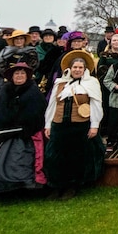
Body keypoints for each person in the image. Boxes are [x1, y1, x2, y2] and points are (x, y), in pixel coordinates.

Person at [44, 51, 105, 199]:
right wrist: (48, 124)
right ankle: (56, 185)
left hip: (79, 125)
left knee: (75, 157)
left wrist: (94, 125)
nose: (77, 70)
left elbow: (96, 104)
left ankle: (72, 186)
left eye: (80, 67)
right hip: (59, 124)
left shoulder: (91, 83)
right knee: (55, 157)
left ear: (85, 70)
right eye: (75, 67)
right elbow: (52, 104)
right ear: (70, 68)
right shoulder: (60, 83)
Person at [0, 62, 46, 195]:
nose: (19, 76)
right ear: (12, 76)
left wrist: (23, 125)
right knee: (3, 160)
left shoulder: (33, 91)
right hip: (7, 134)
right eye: (17, 73)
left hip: (27, 134)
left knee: (22, 158)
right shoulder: (4, 91)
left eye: (22, 73)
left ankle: (27, 185)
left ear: (27, 76)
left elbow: (37, 113)